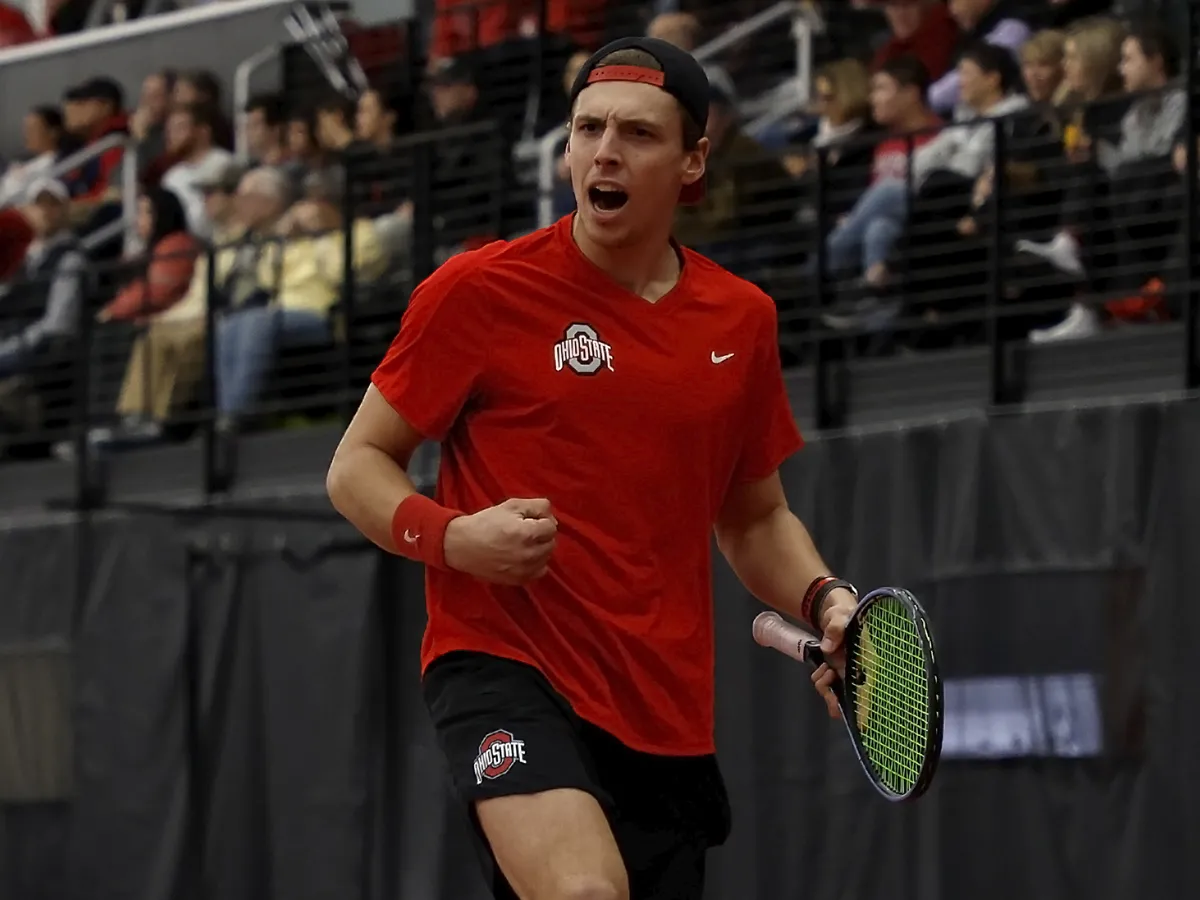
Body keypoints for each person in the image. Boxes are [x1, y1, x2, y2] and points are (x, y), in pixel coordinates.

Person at [327, 36, 857, 900]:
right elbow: (356, 467)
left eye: (638, 135)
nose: (604, 150)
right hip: (504, 665)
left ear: (693, 161)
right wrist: (455, 538)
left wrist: (824, 597)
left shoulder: (742, 319)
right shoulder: (478, 291)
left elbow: (754, 517)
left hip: (664, 708)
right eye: (587, 128)